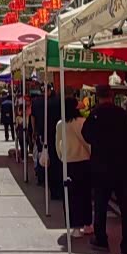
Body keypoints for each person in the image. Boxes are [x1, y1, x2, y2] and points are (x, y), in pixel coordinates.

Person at [82, 84, 127, 254]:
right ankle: (126, 246)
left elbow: (86, 134)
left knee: (101, 204)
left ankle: (101, 239)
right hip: (122, 166)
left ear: (97, 97)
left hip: (101, 166)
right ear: (111, 95)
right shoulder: (122, 114)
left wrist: (99, 142)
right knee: (125, 206)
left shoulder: (95, 114)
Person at [56, 97, 93, 238]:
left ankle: (75, 227)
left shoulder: (60, 124)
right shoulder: (82, 122)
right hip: (84, 162)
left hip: (68, 163)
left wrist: (62, 157)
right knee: (85, 194)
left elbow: (57, 144)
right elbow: (88, 142)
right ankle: (87, 224)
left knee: (71, 195)